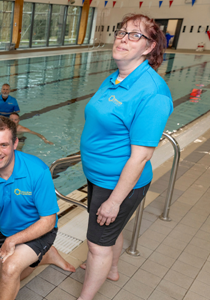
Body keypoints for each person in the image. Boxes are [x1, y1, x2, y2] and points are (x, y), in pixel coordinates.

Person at [78, 14, 172, 300]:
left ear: (149, 47)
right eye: (122, 32)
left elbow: (141, 157)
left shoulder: (152, 93)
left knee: (97, 244)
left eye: (135, 35)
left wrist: (114, 201)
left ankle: (87, 294)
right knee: (110, 232)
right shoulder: (116, 76)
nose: (122, 38)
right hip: (99, 175)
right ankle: (112, 267)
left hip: (117, 183)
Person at [0, 116, 75, 300]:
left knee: (9, 270)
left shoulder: (36, 171)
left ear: (15, 143)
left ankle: (42, 250)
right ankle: (46, 256)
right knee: (3, 278)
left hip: (39, 230)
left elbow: (48, 221)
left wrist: (13, 241)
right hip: (6, 231)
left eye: (3, 145)